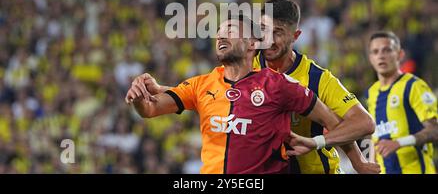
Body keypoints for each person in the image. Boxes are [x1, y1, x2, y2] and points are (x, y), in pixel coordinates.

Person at [126, 14, 363, 174]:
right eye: (219, 32)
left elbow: (333, 123)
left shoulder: (280, 85)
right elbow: (150, 109)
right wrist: (139, 97)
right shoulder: (202, 84)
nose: (220, 36)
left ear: (252, 44)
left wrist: (357, 161)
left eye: (229, 30)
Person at [254, 0, 378, 174]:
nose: (269, 40)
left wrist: (317, 142)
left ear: (295, 36)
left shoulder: (316, 78)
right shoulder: (246, 67)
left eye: (278, 32)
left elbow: (364, 123)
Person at [366, 31, 438, 174]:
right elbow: (376, 136)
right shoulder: (372, 92)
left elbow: (434, 130)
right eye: (375, 51)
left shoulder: (414, 86)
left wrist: (399, 143)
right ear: (370, 58)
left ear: (400, 55)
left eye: (387, 50)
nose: (381, 55)